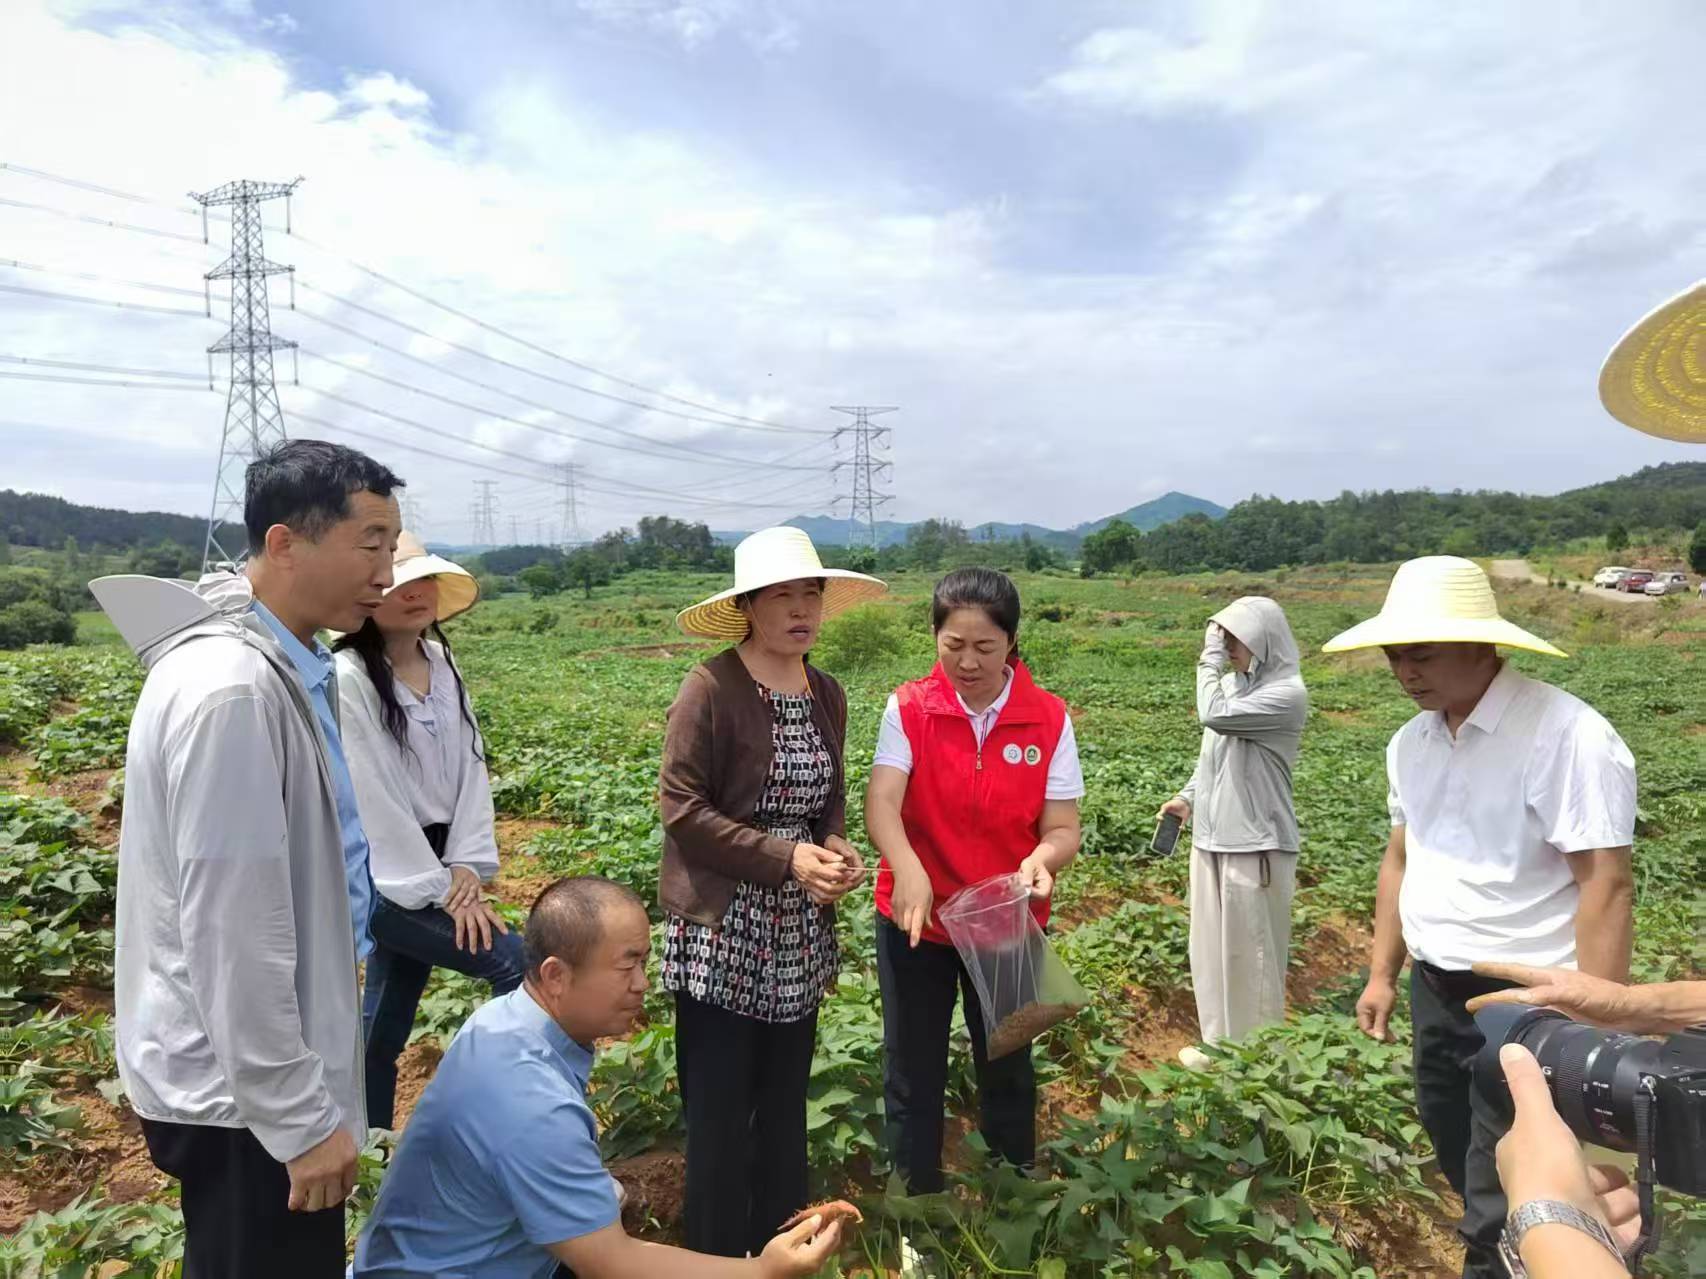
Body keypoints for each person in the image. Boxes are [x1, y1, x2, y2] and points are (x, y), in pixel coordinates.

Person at [89, 440, 403, 1278]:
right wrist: (298, 1120)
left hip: (251, 1085)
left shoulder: (278, 663)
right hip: (247, 1105)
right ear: (284, 543)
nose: (387, 569)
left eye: (392, 544)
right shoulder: (232, 689)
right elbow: (235, 929)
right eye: (370, 543)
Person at [1326, 555, 1637, 1279]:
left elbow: (1605, 883)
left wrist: (1594, 1021)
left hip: (1531, 1001)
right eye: (1394, 655)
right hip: (1438, 989)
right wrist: (1382, 974)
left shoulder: (1566, 734)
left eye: (1422, 652)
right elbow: (1400, 858)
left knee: (1508, 1197)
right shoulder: (1412, 742)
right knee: (1455, 1144)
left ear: (1481, 643)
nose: (1405, 671)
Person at [353, 876, 845, 1279]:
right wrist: (762, 1270)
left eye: (644, 961)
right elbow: (611, 1264)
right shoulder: (534, 1104)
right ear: (556, 976)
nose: (643, 983)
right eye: (626, 965)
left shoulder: (500, 1021)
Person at [658, 526, 884, 1258]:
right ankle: (718, 1261)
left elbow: (828, 797)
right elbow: (682, 809)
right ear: (748, 606)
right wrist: (786, 858)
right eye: (782, 595)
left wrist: (835, 843)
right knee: (721, 1113)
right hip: (724, 927)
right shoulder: (710, 687)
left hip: (796, 929)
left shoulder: (827, 692)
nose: (800, 609)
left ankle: (785, 1254)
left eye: (810, 594)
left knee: (785, 1102)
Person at [865, 567, 1085, 1194]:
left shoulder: (1048, 719)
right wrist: (908, 867)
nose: (967, 662)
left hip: (1004, 922)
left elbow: (1063, 827)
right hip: (918, 920)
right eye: (953, 645)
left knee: (1007, 1061)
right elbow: (883, 803)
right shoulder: (910, 708)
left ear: (1011, 641)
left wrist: (1042, 859)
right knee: (913, 1066)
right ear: (934, 638)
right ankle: (917, 1200)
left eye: (985, 647)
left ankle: (1012, 1191)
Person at [333, 532, 526, 1130]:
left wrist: (466, 864)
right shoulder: (348, 676)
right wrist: (442, 890)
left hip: (442, 862)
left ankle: (368, 1144)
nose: (415, 592)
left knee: (384, 1024)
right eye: (398, 581)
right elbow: (372, 796)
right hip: (385, 872)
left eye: (423, 580)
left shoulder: (442, 662)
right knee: (515, 963)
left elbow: (470, 765)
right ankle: (505, 1118)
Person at [1158, 597, 1307, 1069]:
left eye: (1236, 638)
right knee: (1210, 953)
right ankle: (1219, 1048)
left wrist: (1207, 659)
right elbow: (1213, 754)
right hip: (1211, 838)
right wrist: (1187, 798)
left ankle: (1256, 1064)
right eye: (1223, 638)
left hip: (1256, 844)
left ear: (1265, 638)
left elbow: (1214, 717)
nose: (1227, 648)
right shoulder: (1229, 688)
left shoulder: (1286, 693)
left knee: (1251, 959)